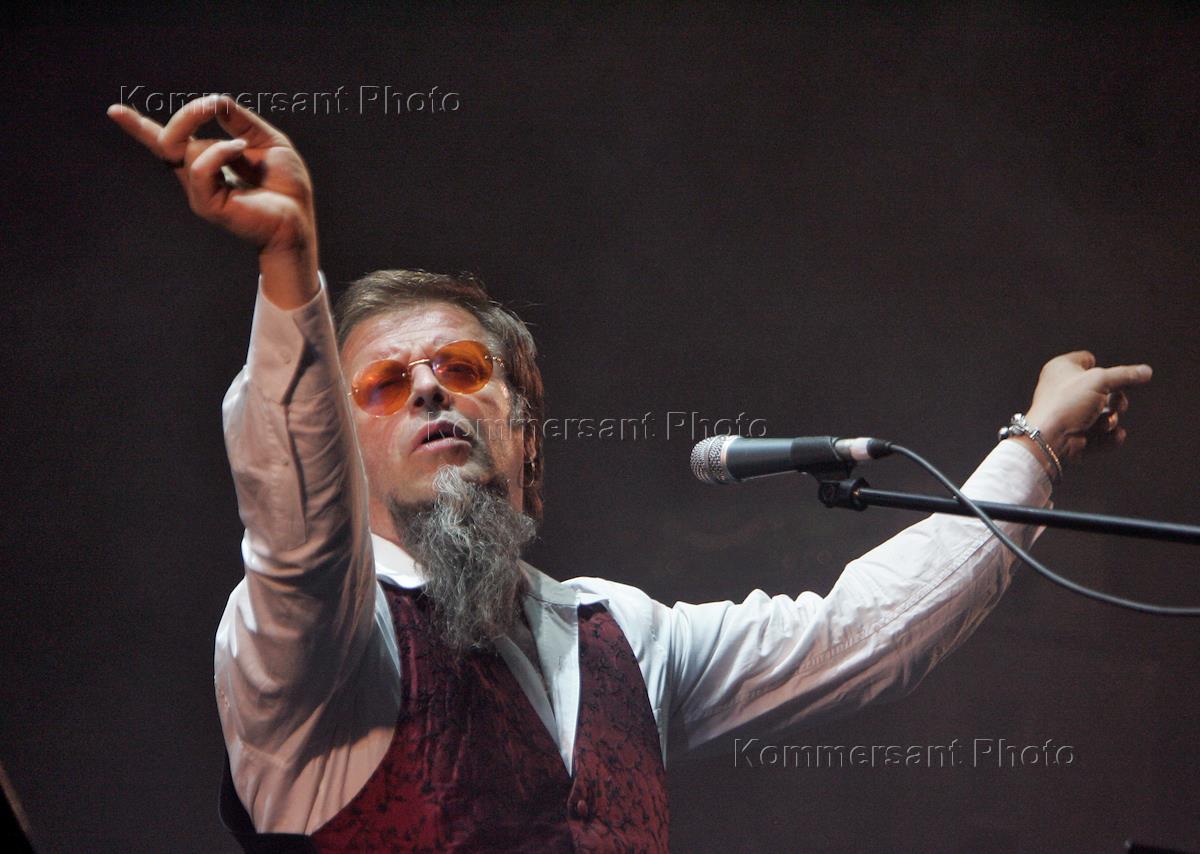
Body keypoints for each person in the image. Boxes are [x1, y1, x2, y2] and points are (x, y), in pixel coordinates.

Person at [108, 95, 1153, 852]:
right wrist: (290, 266)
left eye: (462, 369)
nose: (427, 389)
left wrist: (1036, 442)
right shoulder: (324, 645)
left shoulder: (618, 633)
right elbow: (295, 531)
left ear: (525, 433)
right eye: (382, 384)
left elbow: (863, 631)